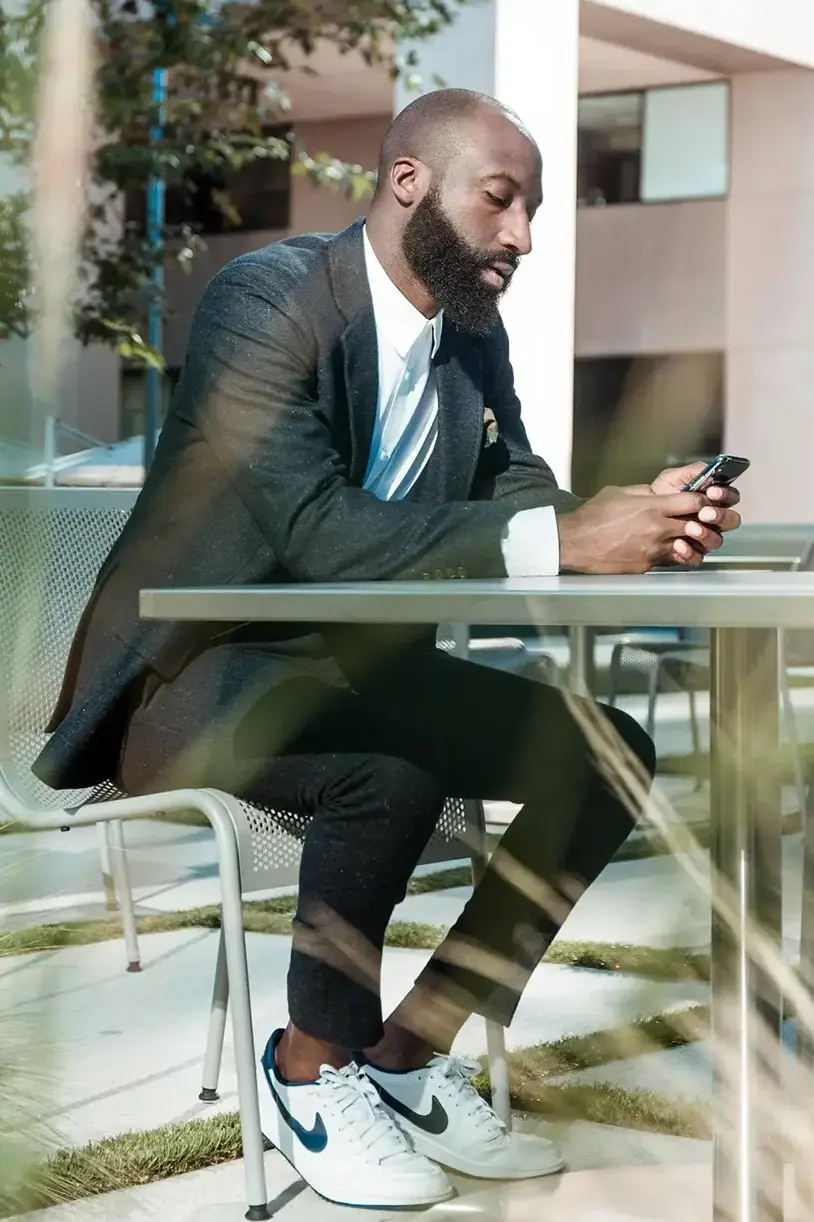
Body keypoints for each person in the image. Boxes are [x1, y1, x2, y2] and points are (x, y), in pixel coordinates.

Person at [34, 88, 741, 1210]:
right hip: (192, 675)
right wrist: (562, 538)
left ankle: (406, 1057)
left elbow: (512, 492)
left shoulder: (472, 331)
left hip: (355, 671)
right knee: (388, 765)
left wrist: (627, 516)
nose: (522, 235)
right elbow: (313, 531)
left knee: (607, 750)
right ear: (407, 181)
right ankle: (307, 1068)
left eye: (534, 210)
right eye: (501, 200)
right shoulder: (264, 301)